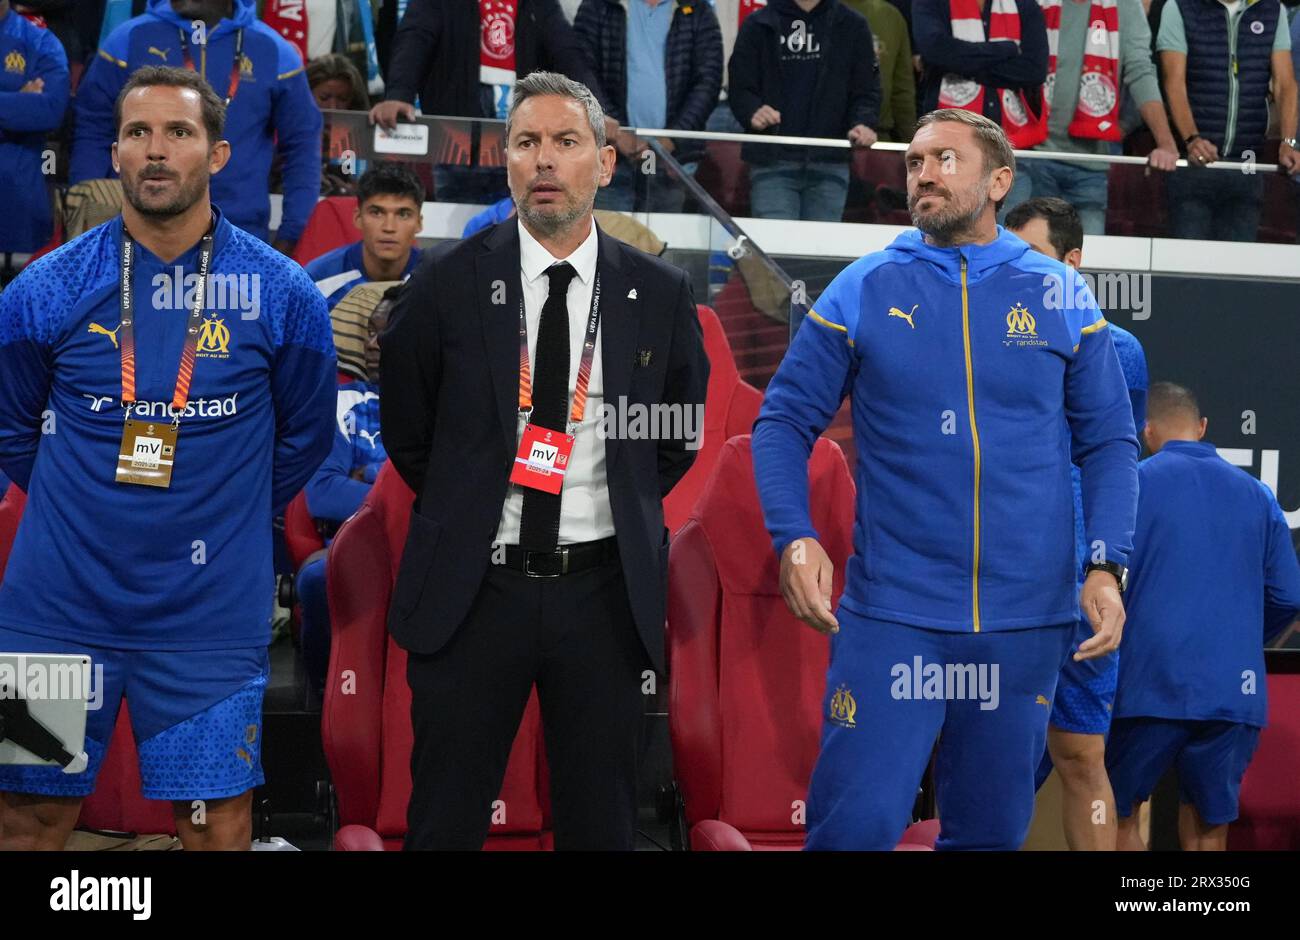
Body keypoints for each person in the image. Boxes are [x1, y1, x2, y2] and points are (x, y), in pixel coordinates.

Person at [752, 108, 1139, 850]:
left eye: (945, 160)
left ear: (999, 180)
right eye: (914, 162)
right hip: (893, 616)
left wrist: (1105, 565)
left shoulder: (1062, 295)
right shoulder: (862, 288)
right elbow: (780, 425)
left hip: (1026, 622)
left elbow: (1112, 445)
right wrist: (794, 538)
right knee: (853, 829)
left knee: (990, 836)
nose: (923, 174)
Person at [0, 66, 336, 850]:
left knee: (214, 825)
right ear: (112, 152)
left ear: (218, 154)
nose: (157, 151)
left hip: (210, 616)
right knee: (26, 816)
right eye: (139, 133)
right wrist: (81, 506)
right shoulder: (42, 290)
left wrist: (219, 505)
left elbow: (304, 437)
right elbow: (12, 431)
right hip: (54, 610)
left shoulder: (282, 293)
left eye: (179, 132)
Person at [380, 70, 708, 850]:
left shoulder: (658, 293)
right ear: (506, 162)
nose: (546, 161)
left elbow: (676, 430)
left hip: (602, 597)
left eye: (567, 142)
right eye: (527, 143)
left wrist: (618, 498)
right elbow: (410, 434)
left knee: (603, 827)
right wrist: (470, 502)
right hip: (473, 590)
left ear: (605, 161)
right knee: (444, 823)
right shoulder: (445, 285)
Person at [1005, 195, 1148, 850]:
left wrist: (1103, 571)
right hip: (1004, 586)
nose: (1016, 272)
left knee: (1083, 758)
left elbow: (1115, 462)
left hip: (1084, 589)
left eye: (1031, 258)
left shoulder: (1121, 351)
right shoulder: (988, 339)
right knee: (991, 761)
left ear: (1073, 262)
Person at [1109, 382, 1300, 850]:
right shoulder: (1258, 495)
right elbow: (1290, 596)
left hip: (1145, 686)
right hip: (1232, 690)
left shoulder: (1131, 486)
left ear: (1146, 431)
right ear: (1203, 428)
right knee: (1209, 825)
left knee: (1117, 814)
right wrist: (1235, 637)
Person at [70, 0, 323, 251]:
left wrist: (292, 232)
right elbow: (92, 131)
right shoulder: (128, 39)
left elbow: (302, 145)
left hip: (240, 234)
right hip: (137, 230)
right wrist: (87, 211)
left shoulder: (274, 50)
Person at [369, 0, 612, 205]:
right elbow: (415, 38)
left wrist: (595, 107)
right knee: (460, 237)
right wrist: (398, 95)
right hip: (457, 138)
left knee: (521, 231)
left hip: (524, 138)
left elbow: (568, 53)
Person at [1000, 0, 1179, 236]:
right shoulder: (1032, 3)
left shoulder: (1126, 6)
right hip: (1031, 154)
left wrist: (1165, 143)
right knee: (1017, 258)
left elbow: (1140, 71)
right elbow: (1002, 59)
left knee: (1090, 265)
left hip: (1091, 163)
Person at [727, 0, 882, 221]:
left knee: (821, 252)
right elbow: (740, 86)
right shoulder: (757, 24)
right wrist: (753, 111)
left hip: (830, 162)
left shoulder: (852, 25)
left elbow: (868, 88)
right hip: (772, 163)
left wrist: (863, 122)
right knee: (775, 249)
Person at [1157, 0, 1298, 240]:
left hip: (1247, 165)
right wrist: (1192, 139)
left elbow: (1285, 84)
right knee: (1187, 268)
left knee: (1239, 269)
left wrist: (1288, 141)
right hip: (1193, 167)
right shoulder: (1179, 7)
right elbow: (1174, 82)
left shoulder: (1272, 10)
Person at [573, 0, 722, 213]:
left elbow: (708, 81)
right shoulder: (599, 5)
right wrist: (617, 132)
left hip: (672, 163)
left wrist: (671, 138)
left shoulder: (697, 9)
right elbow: (581, 71)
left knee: (663, 242)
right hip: (609, 159)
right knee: (609, 240)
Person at [913, 0, 1049, 147]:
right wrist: (1006, 49)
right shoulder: (930, 3)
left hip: (1014, 142)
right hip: (946, 141)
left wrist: (963, 66)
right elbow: (936, 50)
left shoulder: (1024, 4)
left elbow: (1035, 70)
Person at [305, 162, 424, 310]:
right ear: (358, 218)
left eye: (403, 214)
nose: (389, 227)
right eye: (376, 213)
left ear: (419, 223)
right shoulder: (318, 280)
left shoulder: (438, 281)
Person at [0, 0, 69, 257]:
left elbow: (49, 111)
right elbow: (31, 110)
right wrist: (17, 100)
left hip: (18, 213)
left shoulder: (41, 43)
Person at [843, 0, 918, 141]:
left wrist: (911, 143)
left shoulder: (891, 16)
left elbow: (902, 91)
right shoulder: (814, 14)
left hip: (878, 139)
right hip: (821, 140)